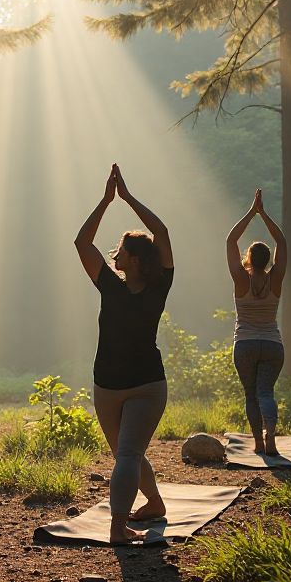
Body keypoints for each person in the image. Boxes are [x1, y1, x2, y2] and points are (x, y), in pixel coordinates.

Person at [75, 164, 174, 544]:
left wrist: (127, 198)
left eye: (121, 250)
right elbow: (82, 243)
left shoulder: (157, 287)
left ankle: (117, 528)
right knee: (126, 453)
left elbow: (161, 233)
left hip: (147, 385)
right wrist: (104, 201)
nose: (114, 253)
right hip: (108, 385)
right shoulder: (110, 287)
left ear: (135, 259)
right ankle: (155, 503)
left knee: (127, 454)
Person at [226, 188, 287, 455]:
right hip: (273, 345)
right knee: (266, 393)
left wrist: (252, 212)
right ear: (269, 259)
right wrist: (265, 214)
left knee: (251, 394)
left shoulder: (241, 280)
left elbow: (230, 241)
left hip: (246, 345)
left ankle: (259, 443)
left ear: (249, 259)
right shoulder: (276, 279)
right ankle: (270, 434)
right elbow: (282, 243)